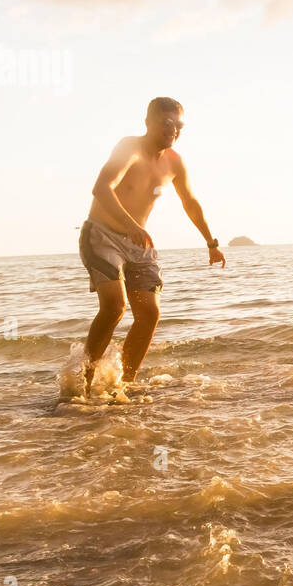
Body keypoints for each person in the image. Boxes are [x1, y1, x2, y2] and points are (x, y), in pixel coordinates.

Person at [78, 97, 225, 391]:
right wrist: (131, 224)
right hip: (102, 235)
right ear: (149, 123)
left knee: (149, 314)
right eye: (166, 123)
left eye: (178, 125)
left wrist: (211, 242)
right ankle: (82, 383)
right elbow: (101, 187)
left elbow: (190, 202)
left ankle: (124, 384)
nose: (173, 130)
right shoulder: (129, 147)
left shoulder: (174, 162)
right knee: (115, 306)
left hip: (139, 244)